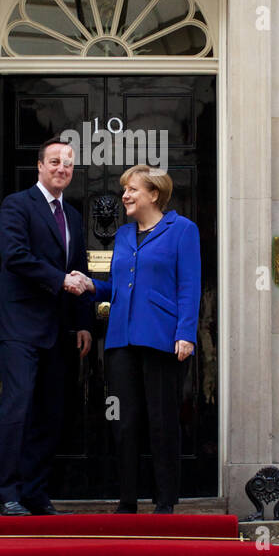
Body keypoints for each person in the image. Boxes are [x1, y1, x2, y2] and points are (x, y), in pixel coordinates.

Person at [66, 165, 201, 514]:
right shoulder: (125, 235)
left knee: (162, 421)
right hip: (121, 340)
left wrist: (186, 333)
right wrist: (92, 285)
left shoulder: (182, 230)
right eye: (124, 189)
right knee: (125, 423)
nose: (124, 195)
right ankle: (127, 500)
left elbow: (189, 286)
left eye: (132, 190)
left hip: (161, 339)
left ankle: (165, 500)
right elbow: (118, 287)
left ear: (154, 194)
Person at [0, 137, 93, 516]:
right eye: (54, 161)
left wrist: (82, 322)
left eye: (68, 163)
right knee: (18, 407)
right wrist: (60, 279)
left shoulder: (75, 217)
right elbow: (15, 256)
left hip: (58, 328)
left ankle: (33, 491)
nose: (62, 168)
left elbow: (78, 266)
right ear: (40, 166)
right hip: (18, 324)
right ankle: (6, 494)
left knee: (50, 412)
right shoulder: (17, 205)